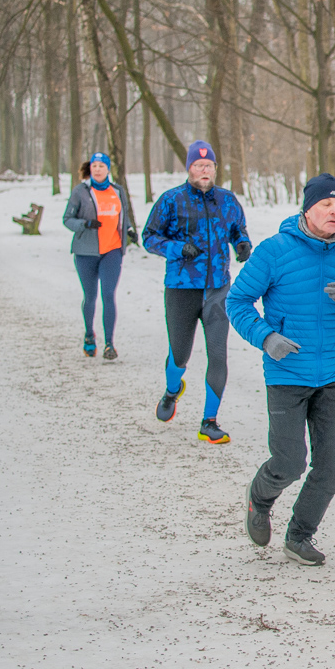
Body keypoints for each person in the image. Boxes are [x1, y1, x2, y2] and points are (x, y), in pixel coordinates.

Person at [227, 173, 335, 566]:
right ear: (307, 209)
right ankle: (259, 499)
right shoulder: (274, 251)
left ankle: (299, 535)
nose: (334, 210)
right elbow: (238, 301)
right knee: (290, 462)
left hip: (333, 373)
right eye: (326, 204)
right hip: (286, 374)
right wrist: (266, 338)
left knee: (331, 468)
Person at [142, 141, 251, 444]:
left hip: (218, 289)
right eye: (198, 165)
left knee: (217, 355)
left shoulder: (227, 200)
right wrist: (177, 249)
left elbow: (238, 229)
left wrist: (242, 244)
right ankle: (172, 390)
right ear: (189, 168)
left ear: (215, 169)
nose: (204, 170)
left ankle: (210, 421)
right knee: (180, 354)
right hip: (181, 289)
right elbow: (148, 237)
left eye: (209, 166)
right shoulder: (171, 200)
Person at [62, 152, 137, 360]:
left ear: (108, 169)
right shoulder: (81, 192)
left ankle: (109, 344)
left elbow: (124, 216)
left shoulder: (118, 191)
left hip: (112, 250)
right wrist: (84, 225)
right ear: (90, 169)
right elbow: (67, 219)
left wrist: (130, 230)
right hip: (85, 252)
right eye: (94, 166)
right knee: (91, 296)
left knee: (108, 295)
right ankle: (88, 334)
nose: (97, 169)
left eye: (101, 166)